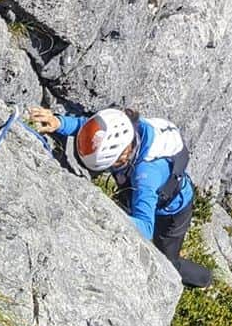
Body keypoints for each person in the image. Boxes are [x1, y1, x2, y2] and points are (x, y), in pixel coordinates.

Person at [28, 104, 212, 288]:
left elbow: (145, 227)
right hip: (150, 194)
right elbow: (90, 130)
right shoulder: (121, 126)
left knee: (168, 261)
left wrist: (104, 211)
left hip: (173, 213)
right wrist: (58, 122)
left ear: (122, 157)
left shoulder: (146, 175)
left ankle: (204, 279)